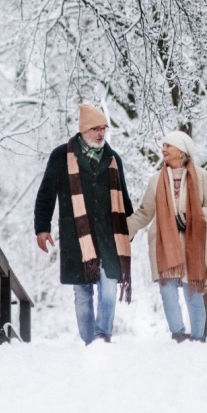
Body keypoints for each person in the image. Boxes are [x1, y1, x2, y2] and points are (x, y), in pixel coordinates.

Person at [34, 104, 133, 345]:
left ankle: (102, 337)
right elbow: (46, 193)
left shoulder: (112, 159)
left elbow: (124, 196)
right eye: (96, 128)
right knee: (82, 293)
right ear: (83, 130)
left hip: (108, 235)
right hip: (76, 235)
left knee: (109, 289)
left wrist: (129, 227)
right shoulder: (61, 156)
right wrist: (42, 227)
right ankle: (90, 342)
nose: (101, 133)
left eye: (104, 129)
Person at [126, 131, 207, 342]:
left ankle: (197, 340)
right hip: (164, 246)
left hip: (195, 247)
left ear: (182, 151)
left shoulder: (203, 177)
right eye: (163, 146)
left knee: (193, 295)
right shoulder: (155, 180)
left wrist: (192, 217)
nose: (164, 149)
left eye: (169, 146)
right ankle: (178, 336)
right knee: (168, 293)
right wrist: (122, 231)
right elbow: (144, 213)